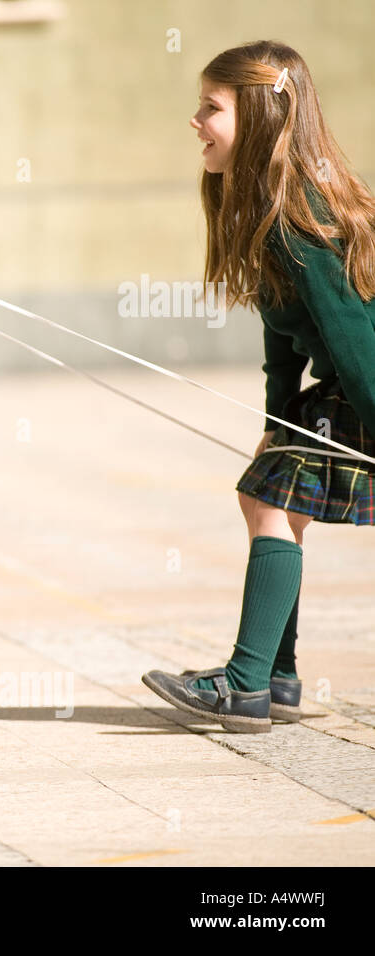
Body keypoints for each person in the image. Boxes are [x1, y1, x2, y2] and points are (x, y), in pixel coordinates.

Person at [143, 41, 375, 732]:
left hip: (368, 383)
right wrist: (281, 419)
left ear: (262, 119)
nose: (195, 120)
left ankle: (249, 683)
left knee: (271, 503)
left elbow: (356, 345)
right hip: (350, 381)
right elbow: (282, 329)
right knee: (266, 495)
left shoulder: (301, 217)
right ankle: (272, 675)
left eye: (211, 107)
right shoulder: (259, 205)